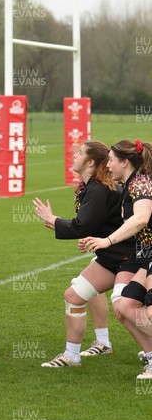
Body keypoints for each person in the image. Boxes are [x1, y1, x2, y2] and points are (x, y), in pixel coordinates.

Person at [32, 140, 139, 368]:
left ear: (90, 161)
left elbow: (82, 225)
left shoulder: (99, 188)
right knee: (73, 296)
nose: (73, 154)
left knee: (124, 307)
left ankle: (148, 353)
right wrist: (87, 236)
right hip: (111, 258)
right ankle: (72, 355)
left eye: (79, 152)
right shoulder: (93, 187)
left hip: (130, 258)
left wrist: (53, 220)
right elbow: (90, 225)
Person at [83, 139, 152, 380]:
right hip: (147, 255)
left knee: (148, 313)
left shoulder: (141, 184)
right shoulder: (130, 183)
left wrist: (107, 241)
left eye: (111, 159)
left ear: (125, 162)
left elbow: (142, 219)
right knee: (125, 307)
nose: (108, 164)